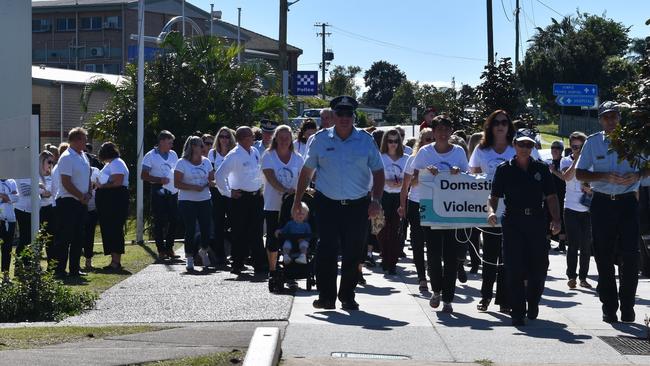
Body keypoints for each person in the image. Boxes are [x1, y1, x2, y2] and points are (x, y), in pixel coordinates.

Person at [292, 95, 384, 311]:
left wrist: (376, 200)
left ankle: (347, 296)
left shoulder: (365, 140)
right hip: (327, 203)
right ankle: (326, 296)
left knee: (353, 251)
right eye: (340, 114)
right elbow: (306, 172)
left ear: (354, 116)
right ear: (333, 116)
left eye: (348, 114)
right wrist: (297, 201)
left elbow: (379, 172)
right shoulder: (320, 139)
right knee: (327, 250)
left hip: (358, 204)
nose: (344, 118)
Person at [575, 101, 647, 323]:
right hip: (603, 203)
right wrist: (604, 176)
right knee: (603, 257)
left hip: (627, 202)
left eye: (614, 116)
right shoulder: (593, 142)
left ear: (620, 118)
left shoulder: (635, 141)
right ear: (600, 120)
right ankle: (609, 306)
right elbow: (580, 173)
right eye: (606, 117)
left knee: (630, 256)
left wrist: (637, 176)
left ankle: (627, 305)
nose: (611, 121)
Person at [487, 128, 561, 326]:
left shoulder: (541, 169)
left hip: (536, 221)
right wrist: (491, 212)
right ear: (514, 145)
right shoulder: (504, 169)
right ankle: (518, 311)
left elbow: (552, 196)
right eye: (522, 144)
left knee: (539, 267)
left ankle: (533, 300)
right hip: (513, 222)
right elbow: (493, 197)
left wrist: (556, 219)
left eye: (529, 145)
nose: (525, 148)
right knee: (513, 268)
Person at [411, 116, 469, 313]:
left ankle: (449, 298)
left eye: (447, 129)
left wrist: (457, 172)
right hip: (430, 208)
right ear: (433, 132)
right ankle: (436, 290)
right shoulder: (425, 152)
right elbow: (413, 181)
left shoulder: (459, 152)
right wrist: (425, 172)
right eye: (439, 130)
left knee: (451, 256)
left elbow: (468, 178)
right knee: (434, 254)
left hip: (453, 208)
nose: (443, 133)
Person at [468, 110, 516, 313]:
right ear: (490, 126)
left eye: (504, 122)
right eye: (496, 122)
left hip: (514, 211)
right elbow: (473, 175)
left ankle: (504, 299)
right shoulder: (482, 150)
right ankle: (485, 296)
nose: (500, 125)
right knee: (489, 255)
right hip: (489, 209)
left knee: (508, 257)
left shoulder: (516, 149)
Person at [216, 126, 266, 275]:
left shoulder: (255, 152)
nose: (254, 138)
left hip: (256, 197)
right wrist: (227, 192)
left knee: (257, 232)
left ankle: (260, 264)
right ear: (243, 138)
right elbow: (219, 175)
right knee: (239, 232)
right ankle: (237, 263)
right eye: (251, 136)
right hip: (240, 198)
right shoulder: (234, 155)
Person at [260, 125, 304, 288]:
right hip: (273, 204)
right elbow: (270, 178)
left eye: (287, 137)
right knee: (273, 237)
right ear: (276, 138)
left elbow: (302, 178)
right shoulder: (268, 156)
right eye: (281, 137)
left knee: (291, 238)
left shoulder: (297, 158)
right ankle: (272, 270)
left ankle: (291, 272)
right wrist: (285, 191)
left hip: (291, 206)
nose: (285, 140)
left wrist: (298, 194)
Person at [398, 128, 434, 291]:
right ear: (421, 141)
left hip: (436, 204)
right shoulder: (413, 158)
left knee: (434, 243)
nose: (431, 142)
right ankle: (421, 277)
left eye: (433, 139)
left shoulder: (440, 158)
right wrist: (402, 206)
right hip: (417, 202)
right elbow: (406, 185)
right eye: (427, 139)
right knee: (417, 242)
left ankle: (434, 273)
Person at [174, 136, 215, 272]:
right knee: (190, 229)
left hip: (204, 199)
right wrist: (193, 187)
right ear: (192, 147)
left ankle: (203, 250)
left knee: (206, 228)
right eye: (200, 145)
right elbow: (177, 183)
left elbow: (211, 179)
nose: (202, 148)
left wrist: (211, 183)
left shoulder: (207, 162)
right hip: (187, 200)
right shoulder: (182, 163)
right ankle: (190, 257)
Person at [55, 127, 92, 277]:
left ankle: (74, 269)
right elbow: (66, 182)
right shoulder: (67, 157)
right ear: (76, 140)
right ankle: (60, 270)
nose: (86, 142)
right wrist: (81, 196)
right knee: (65, 236)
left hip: (81, 201)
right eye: (84, 139)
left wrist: (88, 193)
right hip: (68, 201)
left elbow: (88, 175)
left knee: (78, 236)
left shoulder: (83, 155)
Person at [559, 132, 592, 289]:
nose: (576, 149)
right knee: (573, 244)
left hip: (587, 209)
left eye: (580, 146)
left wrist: (590, 189)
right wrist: (577, 159)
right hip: (570, 207)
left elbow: (596, 184)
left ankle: (583, 277)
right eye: (574, 146)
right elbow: (566, 176)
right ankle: (571, 276)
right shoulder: (566, 160)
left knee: (586, 246)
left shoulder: (590, 162)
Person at [141, 130, 179, 260]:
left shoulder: (173, 154)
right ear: (161, 141)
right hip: (158, 188)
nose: (171, 145)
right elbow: (143, 175)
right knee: (159, 220)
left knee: (174, 219)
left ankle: (169, 247)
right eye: (169, 142)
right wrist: (159, 180)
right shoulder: (150, 155)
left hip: (172, 189)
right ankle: (161, 249)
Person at [377, 129, 409, 274]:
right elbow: (374, 177)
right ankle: (385, 256)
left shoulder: (406, 158)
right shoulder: (380, 157)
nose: (393, 144)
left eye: (396, 141)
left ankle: (392, 263)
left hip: (399, 196)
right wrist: (387, 181)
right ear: (385, 142)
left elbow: (410, 178)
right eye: (390, 141)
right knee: (381, 230)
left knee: (396, 230)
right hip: (383, 195)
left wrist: (401, 182)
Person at [95, 142, 129, 271]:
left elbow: (118, 181)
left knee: (114, 228)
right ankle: (113, 260)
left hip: (115, 199)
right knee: (109, 228)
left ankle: (116, 261)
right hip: (108, 200)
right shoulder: (111, 164)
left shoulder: (117, 163)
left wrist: (102, 186)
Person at [208, 127, 236, 264]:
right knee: (218, 223)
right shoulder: (212, 154)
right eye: (222, 136)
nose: (224, 139)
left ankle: (236, 253)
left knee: (235, 222)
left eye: (227, 137)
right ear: (218, 138)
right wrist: (218, 184)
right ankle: (220, 255)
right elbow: (211, 175)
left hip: (232, 192)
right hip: (217, 192)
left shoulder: (234, 153)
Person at [548, 140, 567, 252]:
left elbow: (564, 177)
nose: (554, 150)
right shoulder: (549, 163)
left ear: (561, 150)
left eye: (557, 148)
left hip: (561, 194)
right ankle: (547, 241)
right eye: (553, 147)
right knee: (548, 216)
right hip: (549, 194)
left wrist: (554, 171)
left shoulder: (563, 162)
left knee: (560, 218)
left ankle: (562, 243)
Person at [38, 151, 57, 261]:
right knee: (39, 239)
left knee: (51, 239)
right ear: (41, 161)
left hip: (51, 209)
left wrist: (45, 191)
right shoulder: (36, 176)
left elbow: (52, 192)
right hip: (40, 210)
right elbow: (43, 193)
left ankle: (51, 267)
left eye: (52, 162)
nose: (51, 164)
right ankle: (35, 267)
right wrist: (45, 191)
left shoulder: (53, 175)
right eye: (49, 161)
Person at [0, 178, 18, 283]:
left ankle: (5, 276)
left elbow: (16, 198)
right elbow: (12, 197)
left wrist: (3, 196)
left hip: (10, 218)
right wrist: (7, 197)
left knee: (7, 248)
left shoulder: (12, 181)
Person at [83, 166, 101, 270]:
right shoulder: (78, 171)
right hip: (81, 205)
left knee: (90, 235)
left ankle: (88, 260)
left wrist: (95, 184)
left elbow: (101, 184)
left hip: (92, 208)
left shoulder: (96, 171)